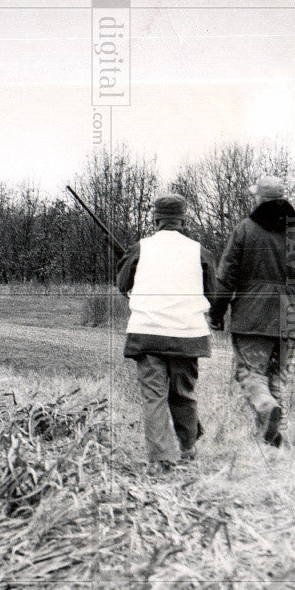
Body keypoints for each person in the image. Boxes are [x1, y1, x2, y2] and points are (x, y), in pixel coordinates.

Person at [208, 176, 295, 448]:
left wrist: (216, 312)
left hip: (253, 317)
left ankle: (265, 407)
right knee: (276, 378)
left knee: (251, 374)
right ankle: (271, 442)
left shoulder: (245, 230)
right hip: (290, 317)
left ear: (259, 198)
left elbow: (226, 277)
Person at [116, 195, 217, 472]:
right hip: (188, 335)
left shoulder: (140, 248)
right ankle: (187, 448)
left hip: (147, 333)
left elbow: (122, 284)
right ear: (183, 220)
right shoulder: (200, 251)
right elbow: (214, 294)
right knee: (183, 393)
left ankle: (162, 459)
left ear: (155, 219)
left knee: (154, 396)